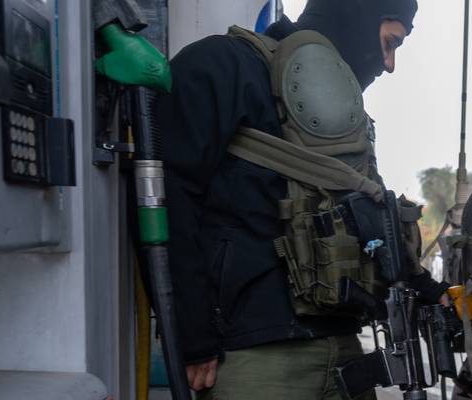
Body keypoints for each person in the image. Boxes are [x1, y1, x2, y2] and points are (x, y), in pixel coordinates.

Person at [154, 1, 449, 399]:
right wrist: (193, 336)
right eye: (389, 42)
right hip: (255, 361)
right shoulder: (221, 66)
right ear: (357, 16)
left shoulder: (348, 125)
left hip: (346, 352)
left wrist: (433, 291)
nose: (389, 64)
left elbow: (366, 217)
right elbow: (169, 201)